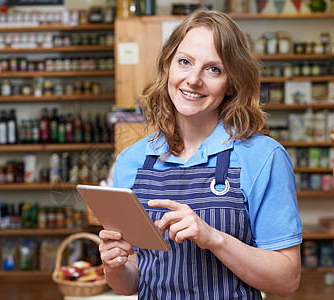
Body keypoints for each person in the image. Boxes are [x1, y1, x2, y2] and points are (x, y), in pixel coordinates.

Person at [98, 9, 302, 299]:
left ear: (231, 82)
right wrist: (115, 267)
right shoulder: (131, 162)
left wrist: (213, 238)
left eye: (213, 69)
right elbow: (131, 282)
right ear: (169, 65)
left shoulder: (263, 157)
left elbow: (287, 279)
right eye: (185, 62)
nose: (193, 79)